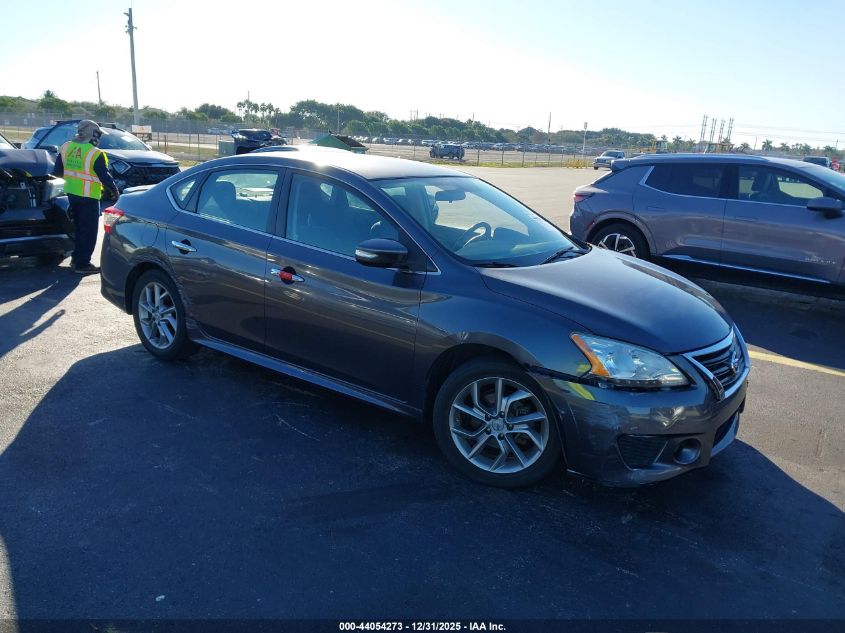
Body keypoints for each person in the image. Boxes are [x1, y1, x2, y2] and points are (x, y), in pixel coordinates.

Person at [53, 120, 120, 275]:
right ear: (92, 134)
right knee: (88, 232)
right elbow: (104, 176)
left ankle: (76, 259)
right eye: (97, 134)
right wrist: (115, 191)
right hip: (88, 196)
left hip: (70, 194)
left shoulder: (66, 147)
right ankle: (82, 264)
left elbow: (57, 171)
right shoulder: (95, 153)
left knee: (78, 229)